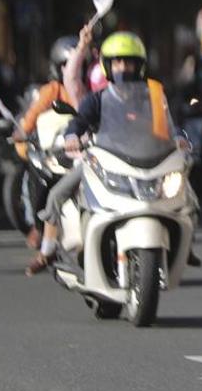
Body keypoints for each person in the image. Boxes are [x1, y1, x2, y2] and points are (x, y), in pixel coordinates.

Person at [25, 32, 191, 275]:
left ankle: (185, 246)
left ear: (140, 66)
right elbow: (79, 120)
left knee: (187, 193)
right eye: (117, 62)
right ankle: (47, 251)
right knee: (57, 194)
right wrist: (72, 137)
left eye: (129, 62)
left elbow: (169, 126)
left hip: (149, 163)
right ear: (107, 67)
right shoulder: (97, 99)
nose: (123, 68)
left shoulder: (153, 97)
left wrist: (178, 140)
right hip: (102, 162)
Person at [13, 36, 81, 246]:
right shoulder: (51, 90)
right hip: (54, 152)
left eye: (76, 66)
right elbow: (32, 115)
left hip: (81, 153)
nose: (71, 71)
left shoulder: (87, 90)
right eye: (66, 66)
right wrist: (23, 131)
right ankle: (39, 226)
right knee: (39, 177)